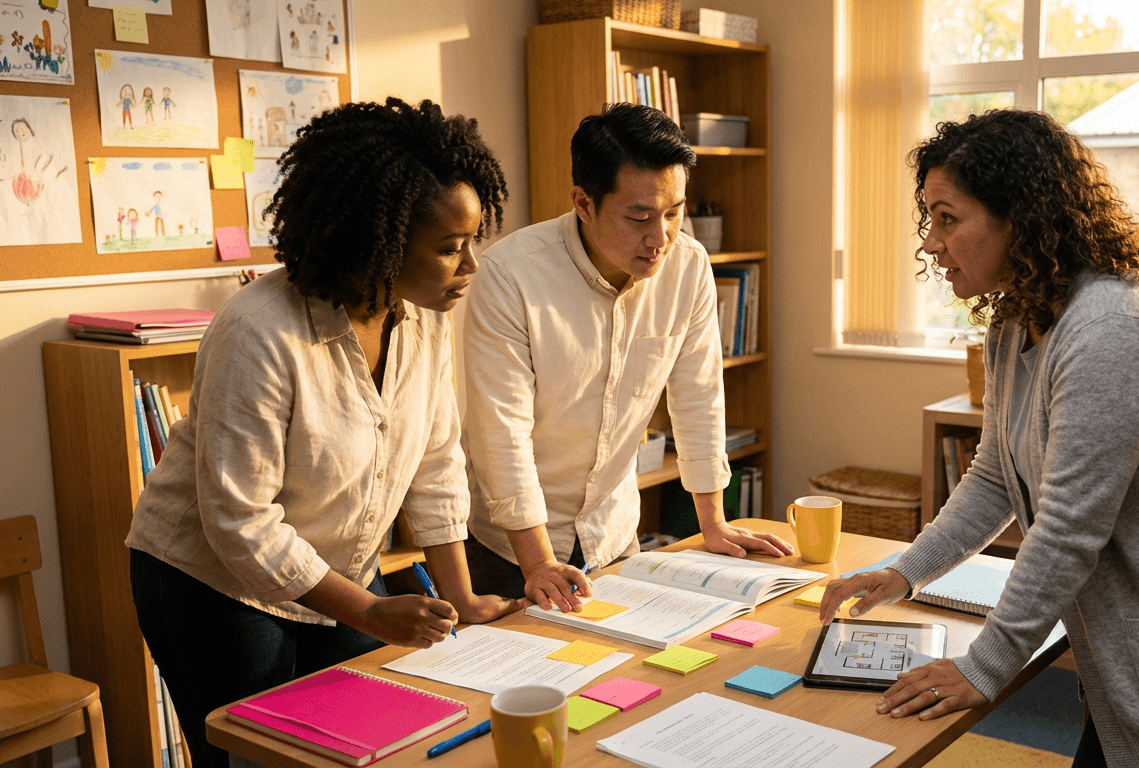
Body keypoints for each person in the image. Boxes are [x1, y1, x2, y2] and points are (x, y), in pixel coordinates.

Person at [818, 109, 1139, 768]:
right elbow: (995, 476)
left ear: (1021, 220)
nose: (928, 242)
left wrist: (985, 666)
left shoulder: (1115, 330)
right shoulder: (1017, 316)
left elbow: (1066, 526)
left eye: (948, 217)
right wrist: (903, 571)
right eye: (929, 218)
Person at [126, 98, 521, 768]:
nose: (471, 267)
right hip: (213, 585)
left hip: (336, 577)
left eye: (472, 243)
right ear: (381, 240)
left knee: (371, 745)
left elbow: (435, 463)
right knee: (255, 757)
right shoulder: (258, 330)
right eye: (451, 249)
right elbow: (240, 522)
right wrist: (368, 610)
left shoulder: (422, 318)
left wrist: (460, 594)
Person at [462, 102, 792, 613]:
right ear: (584, 203)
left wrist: (714, 523)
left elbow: (699, 396)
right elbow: (500, 435)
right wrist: (537, 565)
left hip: (613, 538)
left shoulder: (688, 265)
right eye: (638, 216)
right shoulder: (511, 275)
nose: (660, 238)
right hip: (513, 547)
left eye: (674, 212)